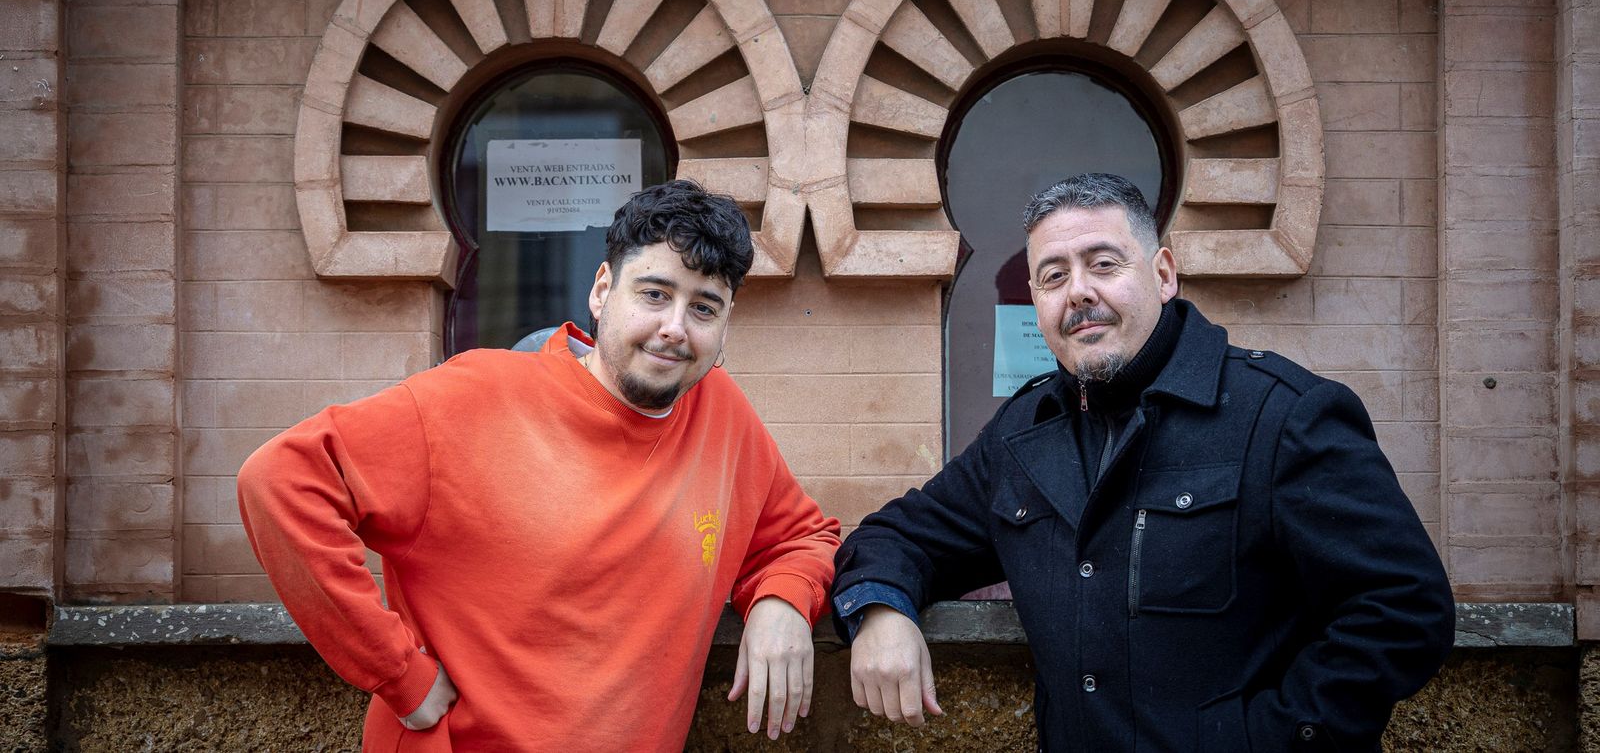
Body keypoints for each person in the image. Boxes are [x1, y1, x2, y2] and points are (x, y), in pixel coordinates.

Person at [832, 173, 1453, 752]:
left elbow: (1402, 607)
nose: (1079, 292)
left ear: (1163, 274)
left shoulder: (1284, 416)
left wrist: (1268, 738)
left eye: (1103, 264)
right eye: (1052, 277)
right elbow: (898, 535)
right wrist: (883, 611)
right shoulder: (1021, 437)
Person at [238, 180, 840, 751]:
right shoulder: (474, 396)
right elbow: (282, 482)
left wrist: (782, 602)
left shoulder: (723, 414)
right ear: (603, 290)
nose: (674, 329)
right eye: (654, 294)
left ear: (726, 326)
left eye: (704, 308)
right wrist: (396, 673)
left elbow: (800, 536)